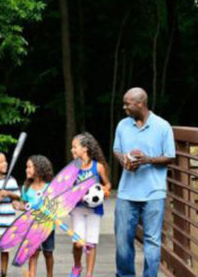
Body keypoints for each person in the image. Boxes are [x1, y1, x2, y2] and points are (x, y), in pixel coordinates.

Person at [113, 87, 176, 277]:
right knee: (123, 240)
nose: (124, 108)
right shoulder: (123, 125)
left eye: (127, 104)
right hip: (126, 192)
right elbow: (116, 149)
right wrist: (123, 159)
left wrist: (147, 160)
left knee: (152, 241)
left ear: (140, 104)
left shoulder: (163, 126)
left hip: (153, 192)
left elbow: (170, 156)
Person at [69, 132, 112, 277]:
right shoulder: (72, 168)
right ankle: (77, 266)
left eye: (74, 147)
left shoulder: (98, 167)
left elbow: (108, 184)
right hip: (77, 210)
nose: (72, 150)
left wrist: (105, 191)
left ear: (85, 148)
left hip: (94, 211)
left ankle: (89, 274)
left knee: (91, 243)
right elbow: (66, 188)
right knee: (78, 243)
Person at [13, 155, 55, 277]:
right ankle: (32, 274)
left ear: (39, 168)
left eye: (30, 167)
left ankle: (50, 275)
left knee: (48, 253)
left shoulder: (50, 188)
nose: (27, 170)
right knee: (33, 252)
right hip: (31, 227)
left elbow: (53, 206)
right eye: (27, 167)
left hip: (47, 226)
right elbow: (26, 206)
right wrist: (19, 206)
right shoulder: (26, 188)